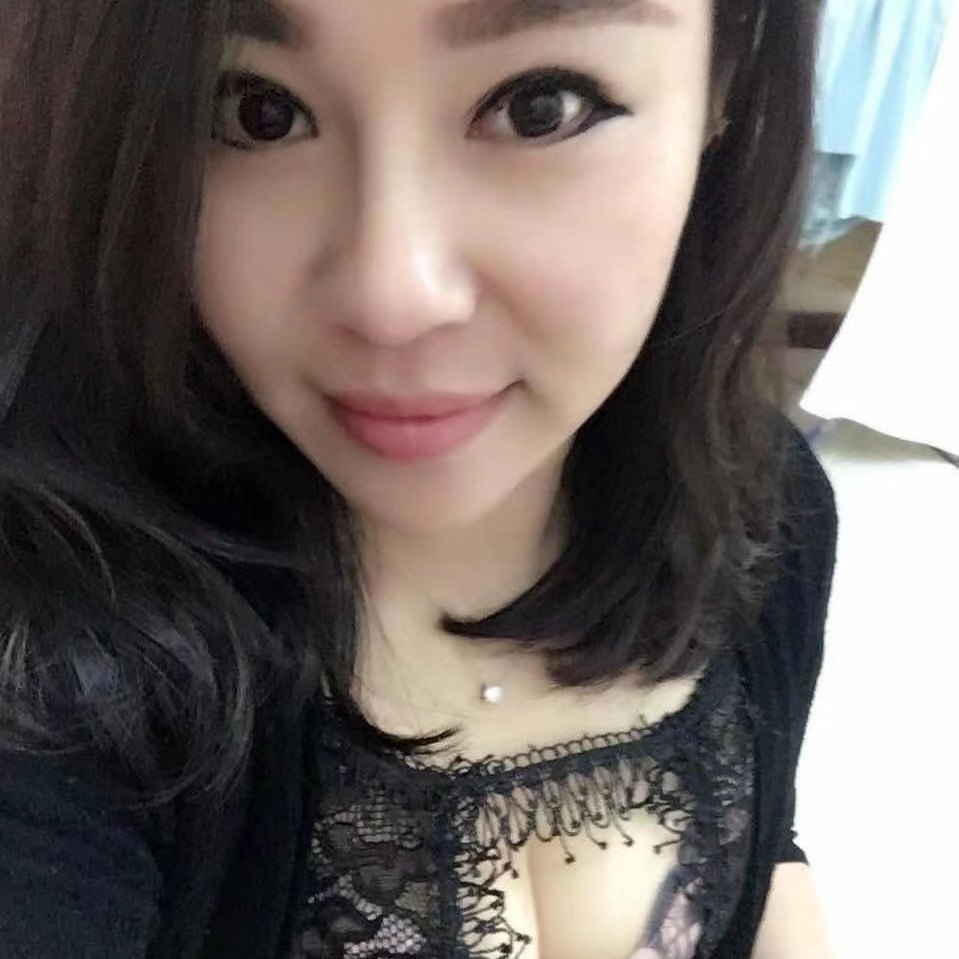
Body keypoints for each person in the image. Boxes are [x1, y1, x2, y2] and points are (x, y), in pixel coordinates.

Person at [0, 1, 838, 957]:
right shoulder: (55, 647)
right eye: (255, 111)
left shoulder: (770, 507)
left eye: (539, 105)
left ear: (723, 82)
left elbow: (768, 843)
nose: (392, 296)